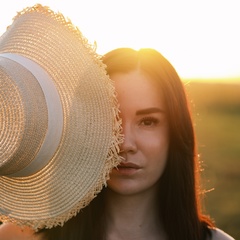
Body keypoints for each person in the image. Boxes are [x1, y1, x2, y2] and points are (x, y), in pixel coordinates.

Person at [2, 47, 234, 239]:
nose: (125, 143)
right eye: (111, 118)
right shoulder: (20, 237)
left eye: (148, 122)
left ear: (175, 133)